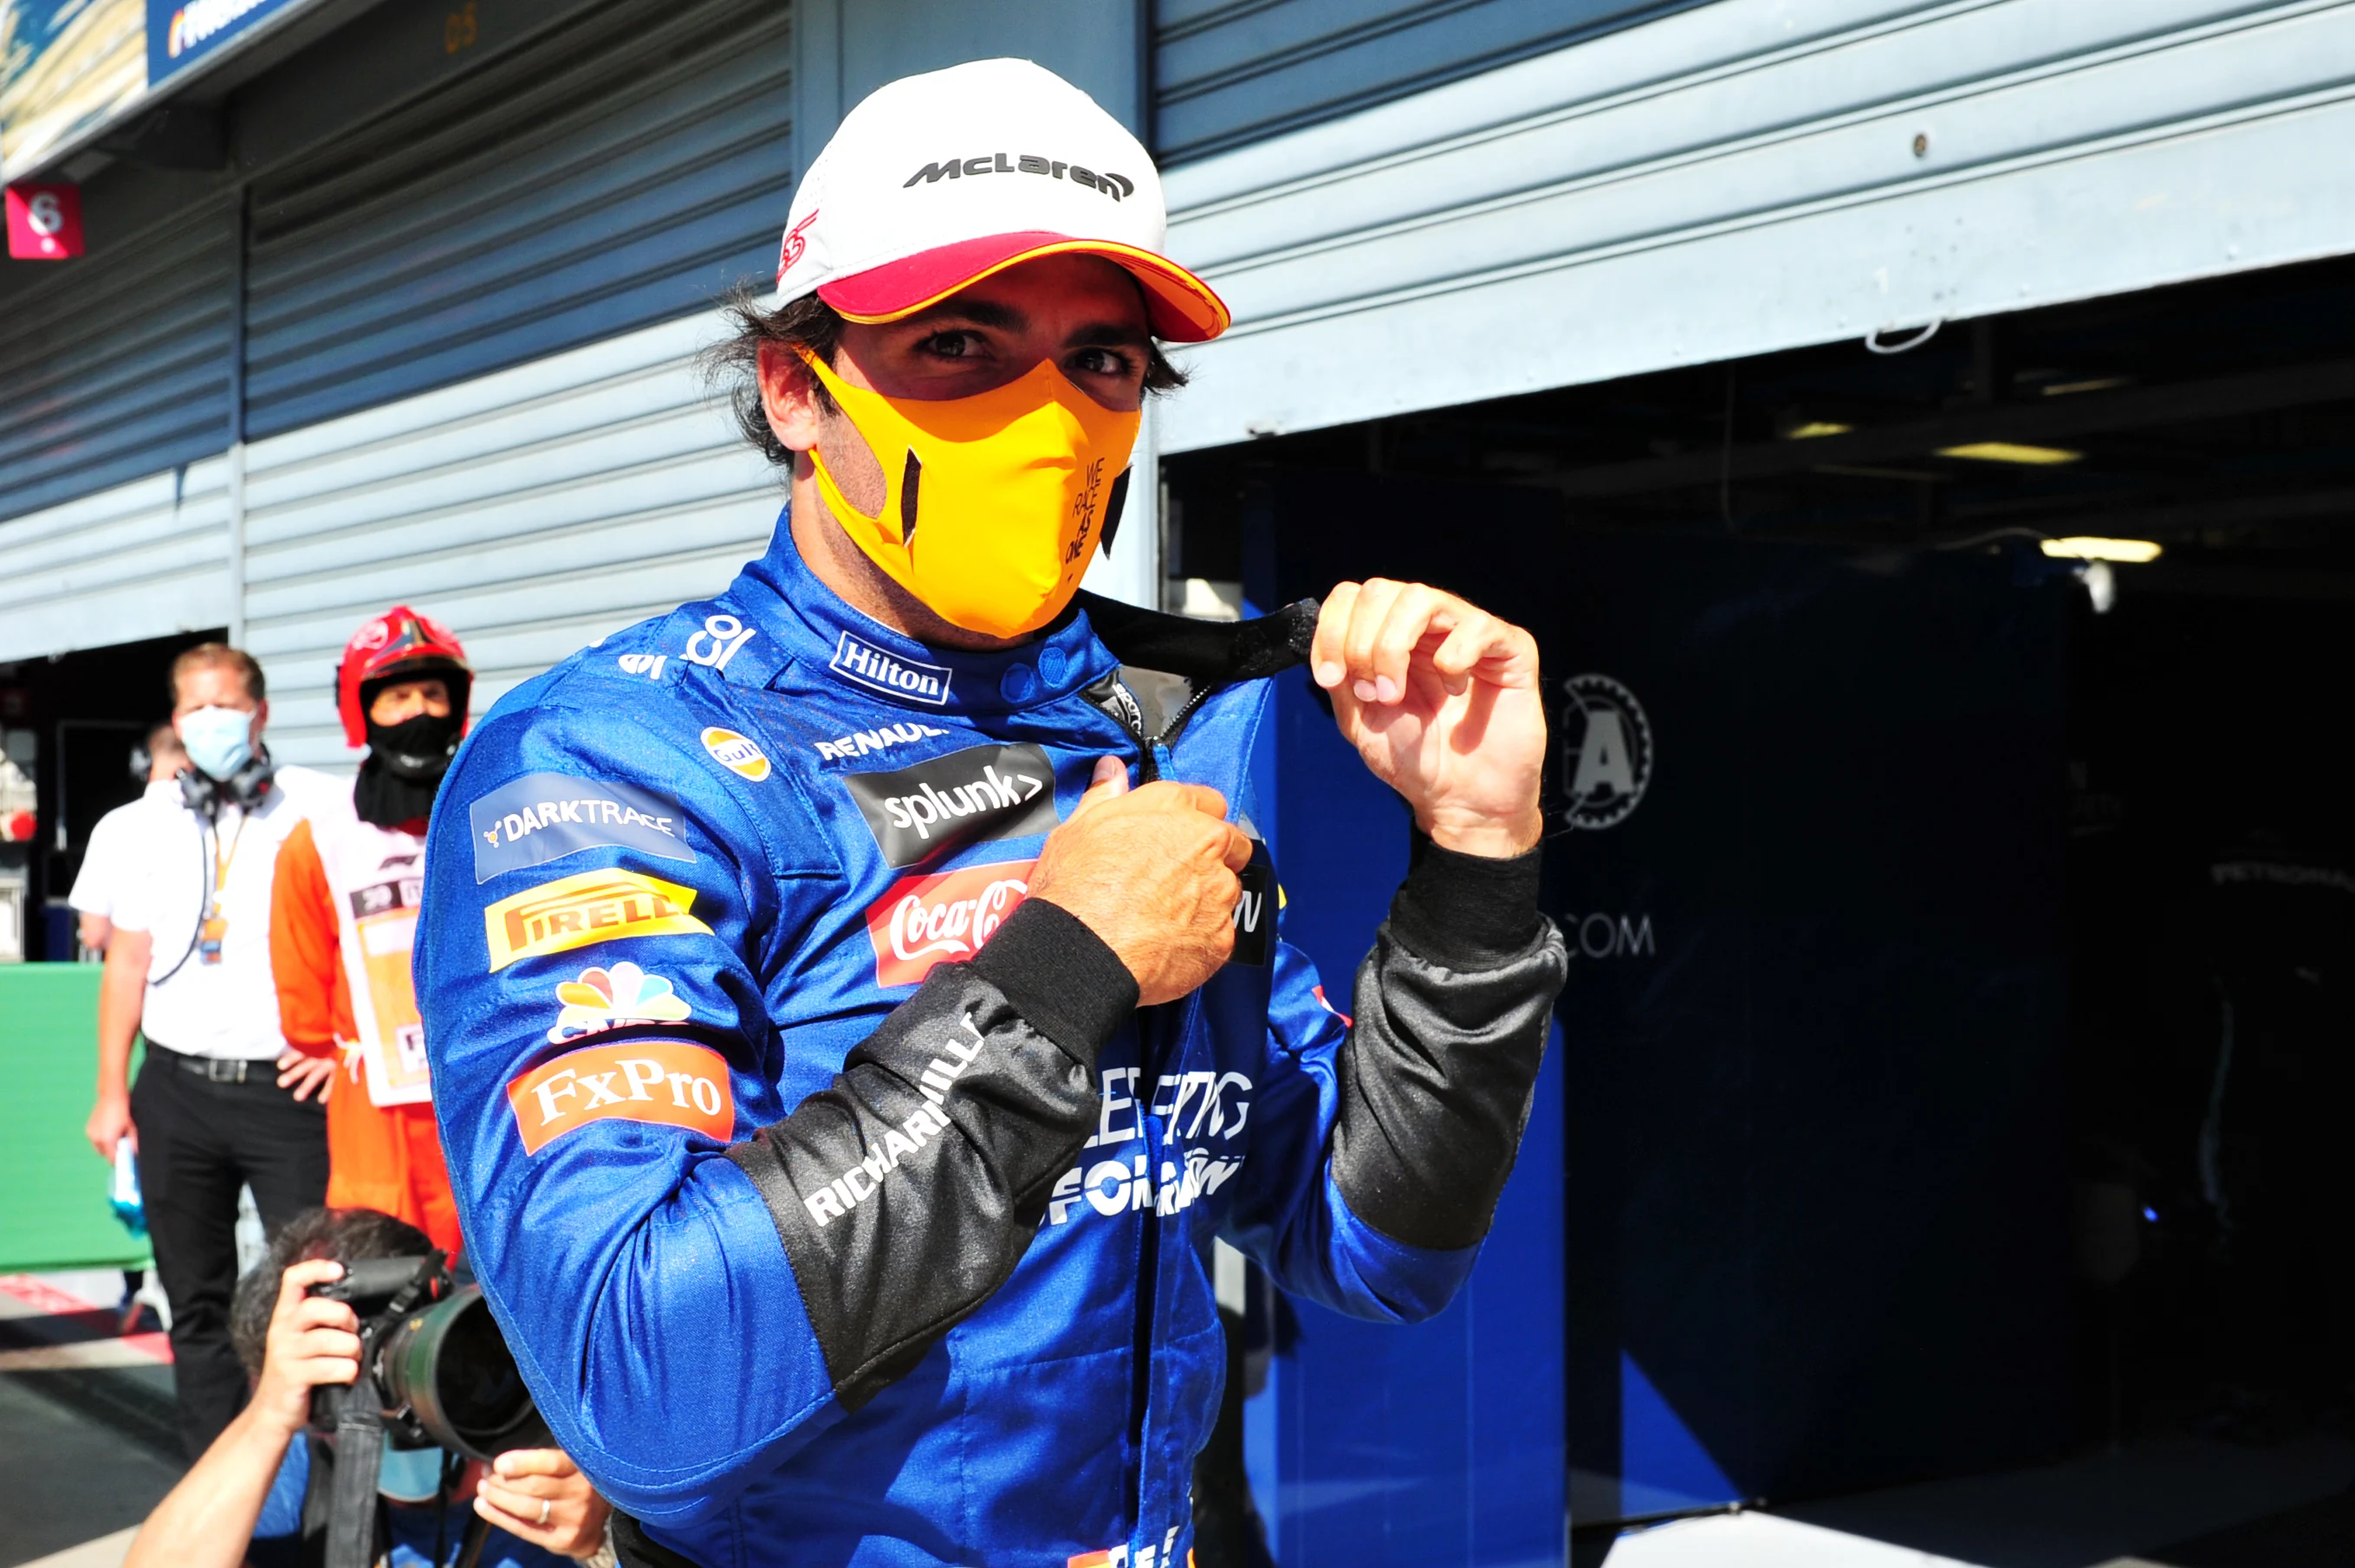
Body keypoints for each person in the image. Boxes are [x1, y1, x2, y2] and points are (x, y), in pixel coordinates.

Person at [417, 58, 1567, 1568]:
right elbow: (640, 1379)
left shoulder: (1137, 723)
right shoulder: (612, 764)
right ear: (792, 389)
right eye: (959, 344)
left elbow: (1370, 1249)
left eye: (1100, 362)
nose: (1046, 416)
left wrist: (1473, 865)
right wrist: (1062, 969)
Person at [88, 643, 341, 1457]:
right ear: (174, 724)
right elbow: (126, 962)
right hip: (175, 1090)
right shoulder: (134, 827)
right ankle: (219, 1498)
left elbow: (363, 936)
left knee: (316, 1295)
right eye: (194, 709)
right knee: (195, 1305)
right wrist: (111, 1091)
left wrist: (345, 1043)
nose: (210, 722)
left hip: (289, 1095)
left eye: (225, 705)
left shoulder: (323, 808)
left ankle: (323, 1500)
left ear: (262, 713)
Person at [124, 1206, 614, 1568]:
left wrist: (602, 1539)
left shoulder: (562, 1444)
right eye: (343, 1374)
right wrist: (268, 1418)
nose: (389, 1396)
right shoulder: (303, 1462)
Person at [271, 608, 474, 1254]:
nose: (418, 709)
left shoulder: (494, 817)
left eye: (433, 693)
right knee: (381, 1271)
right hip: (376, 1112)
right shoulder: (320, 842)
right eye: (396, 696)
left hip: (489, 1091)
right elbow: (301, 992)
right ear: (363, 712)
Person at [68, 722, 188, 956]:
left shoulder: (113, 826)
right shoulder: (225, 823)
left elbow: (94, 933)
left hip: (135, 979)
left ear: (141, 763)